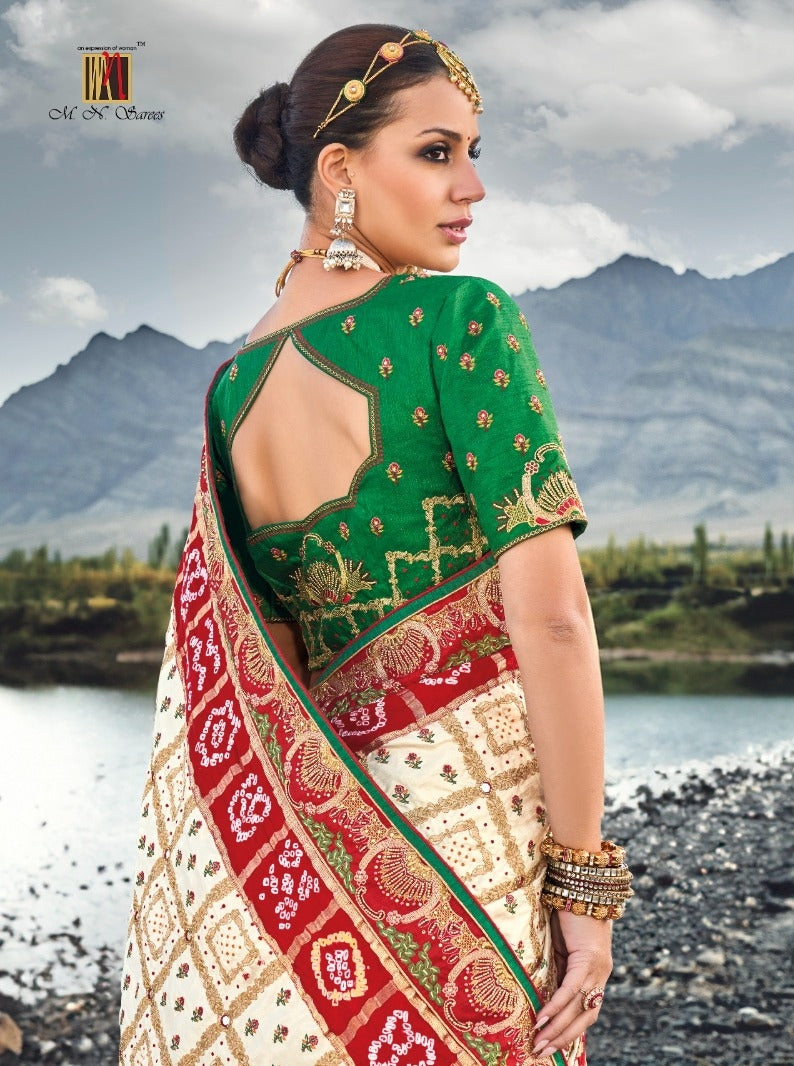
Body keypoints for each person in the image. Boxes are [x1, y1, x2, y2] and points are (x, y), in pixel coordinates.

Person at [120, 24, 632, 1066]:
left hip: (318, 875)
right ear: (341, 170)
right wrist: (582, 887)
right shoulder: (459, 318)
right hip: (463, 852)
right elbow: (552, 620)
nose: (472, 187)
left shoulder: (230, 388)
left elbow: (272, 664)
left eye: (473, 153)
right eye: (436, 152)